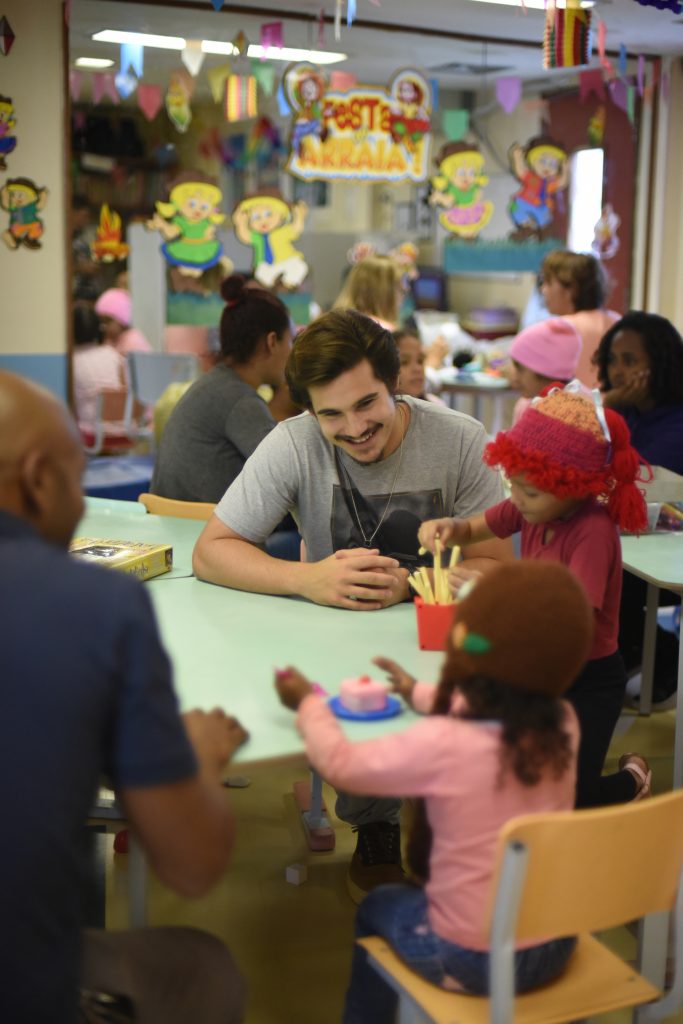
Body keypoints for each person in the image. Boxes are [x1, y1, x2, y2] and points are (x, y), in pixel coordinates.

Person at [193, 309, 511, 898]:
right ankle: (376, 824)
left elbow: (498, 568)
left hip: (440, 632)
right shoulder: (292, 442)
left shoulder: (460, 440)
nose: (354, 427)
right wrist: (305, 578)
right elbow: (212, 551)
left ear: (396, 384)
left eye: (368, 404)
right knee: (359, 690)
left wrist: (414, 584)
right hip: (343, 644)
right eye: (330, 413)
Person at [0, 369, 247, 1024]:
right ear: (37, 478)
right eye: (76, 479)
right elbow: (192, 866)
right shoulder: (97, 606)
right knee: (204, 971)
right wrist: (197, 761)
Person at [275, 560, 593, 1022]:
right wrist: (419, 693)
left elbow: (341, 763)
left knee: (380, 906)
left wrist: (308, 705)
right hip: (556, 941)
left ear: (465, 642)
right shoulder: (563, 721)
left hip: (472, 960)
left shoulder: (446, 744)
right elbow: (503, 693)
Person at [419, 383, 652, 808]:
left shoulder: (592, 532)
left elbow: (571, 616)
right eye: (514, 485)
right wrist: (450, 528)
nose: (518, 500)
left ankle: (631, 782)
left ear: (574, 486)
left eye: (531, 491)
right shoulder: (531, 506)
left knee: (572, 794)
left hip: (589, 679)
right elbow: (475, 527)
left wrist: (489, 591)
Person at [594, 311, 683, 709]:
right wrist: (608, 403)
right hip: (632, 536)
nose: (617, 370)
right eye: (612, 360)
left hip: (666, 544)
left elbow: (633, 476)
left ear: (658, 365)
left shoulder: (676, 419)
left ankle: (657, 655)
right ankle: (624, 654)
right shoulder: (626, 411)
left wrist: (608, 405)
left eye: (630, 361)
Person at [152, 274, 293, 504]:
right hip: (200, 530)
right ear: (271, 342)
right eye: (290, 341)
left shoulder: (213, 385)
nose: (292, 352)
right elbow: (288, 474)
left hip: (172, 522)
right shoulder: (240, 400)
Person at [540, 250, 619, 388]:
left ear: (571, 288)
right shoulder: (617, 321)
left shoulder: (559, 327)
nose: (543, 289)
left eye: (548, 282)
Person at [72, 301, 129, 447]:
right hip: (125, 431)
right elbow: (126, 389)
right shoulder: (114, 356)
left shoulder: (71, 362)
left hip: (90, 434)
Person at [507, 317, 582, 424]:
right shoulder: (525, 405)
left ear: (543, 372)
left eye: (520, 368)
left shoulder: (579, 415)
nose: (513, 375)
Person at [334, 255, 404, 330]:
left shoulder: (334, 322)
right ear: (384, 292)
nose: (403, 291)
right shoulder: (384, 331)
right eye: (398, 287)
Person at [393, 328, 445, 405]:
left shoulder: (437, 405)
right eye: (404, 362)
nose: (418, 368)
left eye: (420, 361)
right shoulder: (381, 414)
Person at [95, 287, 152, 355]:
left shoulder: (133, 341)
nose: (104, 326)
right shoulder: (109, 341)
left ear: (121, 321)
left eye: (108, 321)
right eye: (101, 322)